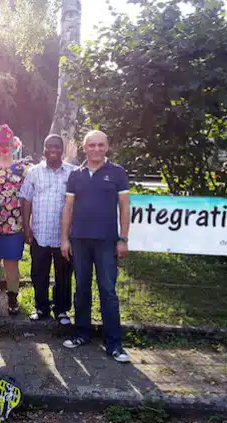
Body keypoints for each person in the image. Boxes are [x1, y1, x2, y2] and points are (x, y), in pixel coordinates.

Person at [60, 130, 131, 363]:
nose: (96, 149)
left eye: (101, 145)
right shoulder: (75, 175)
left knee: (108, 291)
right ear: (84, 148)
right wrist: (64, 239)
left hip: (106, 242)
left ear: (107, 147)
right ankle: (82, 334)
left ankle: (114, 344)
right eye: (92, 145)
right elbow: (68, 208)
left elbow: (124, 207)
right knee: (81, 288)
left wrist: (123, 239)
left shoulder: (117, 173)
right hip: (79, 240)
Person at [20, 135, 75, 326]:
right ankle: (41, 307)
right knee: (38, 273)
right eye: (49, 146)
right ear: (43, 149)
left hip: (64, 236)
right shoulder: (33, 172)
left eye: (57, 147)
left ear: (63, 149)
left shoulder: (73, 173)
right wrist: (26, 227)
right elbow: (26, 200)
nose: (53, 150)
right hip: (40, 234)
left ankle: (61, 310)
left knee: (64, 275)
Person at [0, 124, 30, 316]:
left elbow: (29, 197)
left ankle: (12, 299)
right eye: (1, 144)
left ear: (14, 145)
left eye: (9, 144)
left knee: (12, 265)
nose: (5, 148)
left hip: (14, 226)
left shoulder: (23, 169)